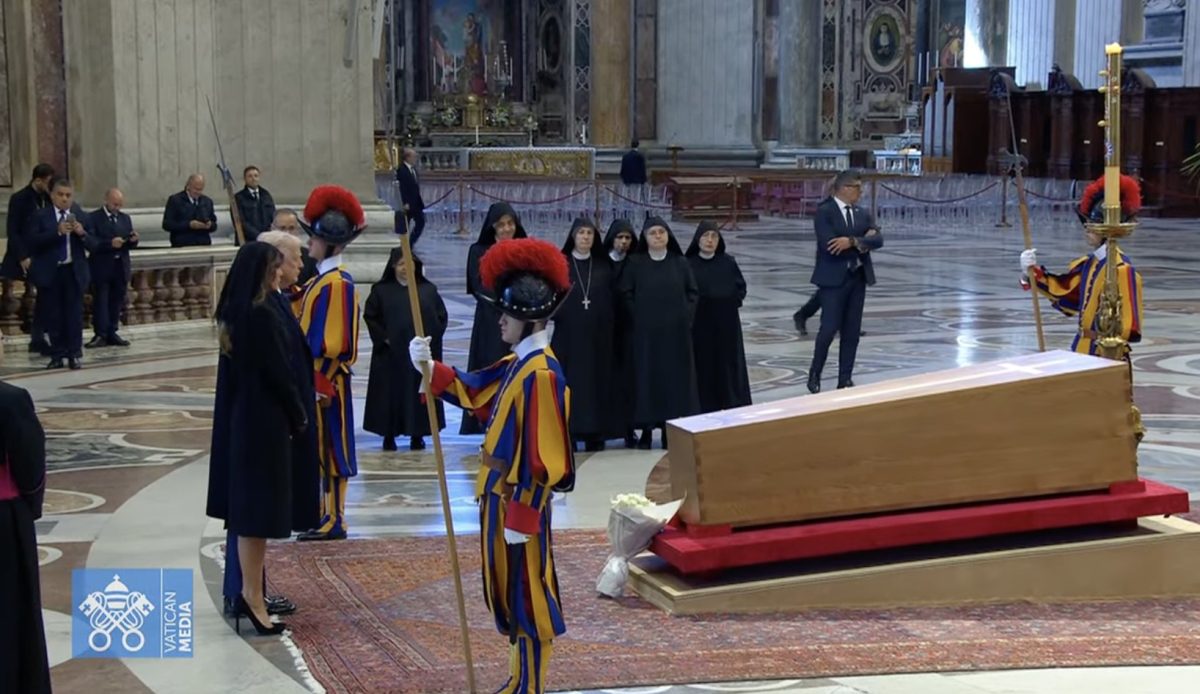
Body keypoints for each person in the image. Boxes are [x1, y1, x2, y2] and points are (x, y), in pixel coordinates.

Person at [408, 237, 574, 694]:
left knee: (528, 593)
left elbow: (545, 457)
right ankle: (519, 678)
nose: (499, 320)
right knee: (507, 592)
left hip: (518, 503)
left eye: (507, 314)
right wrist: (429, 368)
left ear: (530, 319)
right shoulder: (519, 363)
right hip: (498, 496)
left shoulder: (542, 374)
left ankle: (530, 686)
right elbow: (473, 391)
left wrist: (524, 514)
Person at [211, 230, 319, 618]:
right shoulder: (258, 313)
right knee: (252, 514)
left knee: (252, 513)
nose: (292, 267)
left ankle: (251, 593)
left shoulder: (256, 307)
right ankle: (248, 596)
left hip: (256, 422)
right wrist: (299, 414)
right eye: (284, 262)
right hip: (264, 425)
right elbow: (277, 370)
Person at [296, 186, 365, 541]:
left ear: (331, 244)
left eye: (316, 238)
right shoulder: (322, 280)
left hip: (327, 382)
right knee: (321, 448)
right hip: (318, 379)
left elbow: (333, 344)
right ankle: (325, 513)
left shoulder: (336, 284)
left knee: (332, 448)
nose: (310, 243)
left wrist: (319, 383)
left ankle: (335, 518)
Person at [1021, 174, 1144, 357]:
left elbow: (1128, 326)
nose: (1087, 228)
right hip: (1081, 350)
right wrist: (1029, 272)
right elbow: (1067, 296)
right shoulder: (1090, 264)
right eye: (1087, 222)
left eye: (1094, 224)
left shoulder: (1122, 269)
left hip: (1104, 354)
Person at [619, 217, 699, 449]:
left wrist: (685, 317)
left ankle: (667, 430)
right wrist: (638, 316)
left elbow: (692, 292)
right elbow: (625, 293)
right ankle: (646, 429)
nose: (657, 236)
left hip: (675, 335)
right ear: (645, 237)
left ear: (668, 235)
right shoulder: (635, 263)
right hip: (646, 336)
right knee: (646, 380)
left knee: (672, 382)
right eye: (652, 233)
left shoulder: (679, 263)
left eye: (661, 232)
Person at [806, 170, 883, 394]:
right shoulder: (825, 212)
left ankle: (845, 378)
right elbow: (830, 245)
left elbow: (878, 239)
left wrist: (852, 241)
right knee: (829, 328)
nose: (861, 192)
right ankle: (815, 373)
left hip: (857, 278)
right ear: (844, 188)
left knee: (851, 330)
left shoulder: (861, 213)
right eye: (857, 187)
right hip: (833, 278)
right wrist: (862, 241)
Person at [364, 247, 447, 451]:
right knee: (390, 395)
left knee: (417, 394)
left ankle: (417, 435)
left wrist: (428, 341)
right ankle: (388, 435)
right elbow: (371, 316)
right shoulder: (381, 291)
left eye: (410, 263)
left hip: (417, 355)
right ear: (393, 266)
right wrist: (384, 338)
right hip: (391, 355)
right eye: (401, 264)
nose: (406, 268)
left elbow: (441, 317)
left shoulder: (428, 290)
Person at [0, 380, 51, 694]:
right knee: (10, 615)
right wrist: (29, 507)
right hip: (4, 523)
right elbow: (30, 466)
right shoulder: (10, 400)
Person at [463, 202, 528, 434]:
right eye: (501, 225)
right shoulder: (478, 251)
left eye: (510, 223)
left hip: (519, 320)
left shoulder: (525, 249)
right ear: (493, 227)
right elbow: (477, 285)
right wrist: (503, 304)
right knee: (491, 369)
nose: (507, 229)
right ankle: (489, 424)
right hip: (490, 320)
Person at [553, 217, 617, 451]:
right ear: (573, 236)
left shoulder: (603, 266)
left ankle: (596, 432)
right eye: (581, 233)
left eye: (590, 233)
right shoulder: (561, 266)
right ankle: (569, 432)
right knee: (571, 384)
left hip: (598, 336)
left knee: (596, 383)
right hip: (568, 337)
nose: (586, 237)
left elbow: (612, 298)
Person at [28, 178, 96, 370]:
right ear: (52, 196)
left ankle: (74, 354)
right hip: (51, 271)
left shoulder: (80, 215)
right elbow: (32, 241)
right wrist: (56, 233)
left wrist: (82, 233)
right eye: (60, 195)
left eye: (68, 195)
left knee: (74, 315)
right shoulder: (41, 216)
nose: (64, 199)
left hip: (73, 271)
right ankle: (57, 354)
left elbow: (95, 244)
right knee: (53, 315)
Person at [686, 221, 751, 413]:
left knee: (727, 366)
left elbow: (740, 287)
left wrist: (730, 302)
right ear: (697, 240)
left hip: (726, 325)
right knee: (702, 365)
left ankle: (730, 403)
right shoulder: (688, 264)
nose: (710, 240)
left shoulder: (728, 262)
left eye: (714, 236)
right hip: (700, 325)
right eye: (706, 236)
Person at [1, 163, 54, 355]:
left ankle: (40, 337)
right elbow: (13, 231)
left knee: (46, 297)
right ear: (38, 180)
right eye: (47, 182)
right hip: (22, 255)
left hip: (42, 256)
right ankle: (37, 338)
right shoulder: (20, 198)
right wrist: (23, 256)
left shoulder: (48, 199)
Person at [86, 188, 138, 348]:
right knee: (101, 301)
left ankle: (112, 331)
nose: (117, 208)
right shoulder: (93, 218)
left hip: (120, 266)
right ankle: (100, 333)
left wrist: (133, 241)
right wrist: (110, 244)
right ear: (106, 200)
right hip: (102, 266)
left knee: (117, 301)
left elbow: (128, 241)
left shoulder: (125, 218)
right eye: (115, 204)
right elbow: (91, 242)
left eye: (120, 205)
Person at [603, 219, 638, 448]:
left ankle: (628, 428)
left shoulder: (634, 264)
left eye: (627, 238)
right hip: (604, 329)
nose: (623, 242)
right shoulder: (602, 263)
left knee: (628, 380)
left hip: (628, 330)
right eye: (620, 237)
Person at [162, 174, 219, 247]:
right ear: (188, 186)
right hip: (182, 245)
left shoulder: (207, 201)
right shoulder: (175, 200)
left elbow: (214, 224)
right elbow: (167, 224)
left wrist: (209, 225)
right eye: (196, 189)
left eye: (200, 189)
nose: (198, 192)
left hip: (203, 244)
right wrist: (189, 225)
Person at [272, 208, 319, 284]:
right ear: (272, 228)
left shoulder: (309, 257)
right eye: (282, 228)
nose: (287, 233)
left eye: (291, 228)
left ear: (297, 230)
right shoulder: (265, 256)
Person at [234, 165, 277, 244]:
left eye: (256, 176)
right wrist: (258, 235)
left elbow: (273, 216)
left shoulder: (266, 195)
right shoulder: (238, 198)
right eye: (250, 176)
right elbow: (240, 221)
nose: (253, 179)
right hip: (248, 240)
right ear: (245, 179)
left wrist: (267, 234)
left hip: (266, 239)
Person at [395, 147, 426, 245]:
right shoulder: (402, 170)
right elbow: (402, 188)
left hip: (416, 203)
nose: (415, 159)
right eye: (414, 157)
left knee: (421, 222)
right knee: (405, 226)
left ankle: (410, 243)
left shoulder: (413, 170)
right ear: (408, 157)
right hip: (407, 204)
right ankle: (404, 245)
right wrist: (404, 202)